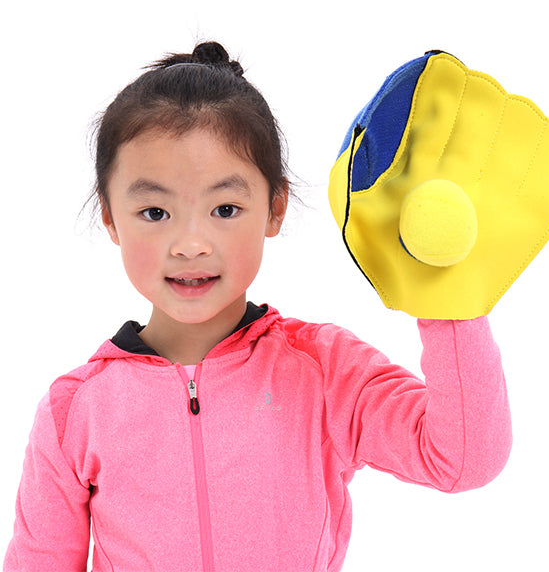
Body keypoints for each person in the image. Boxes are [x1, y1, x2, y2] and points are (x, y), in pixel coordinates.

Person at [3, 42, 512, 572]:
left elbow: (463, 459)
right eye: (155, 212)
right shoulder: (75, 411)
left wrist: (449, 297)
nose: (191, 244)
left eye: (225, 208)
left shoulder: (324, 371)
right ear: (110, 217)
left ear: (275, 207)